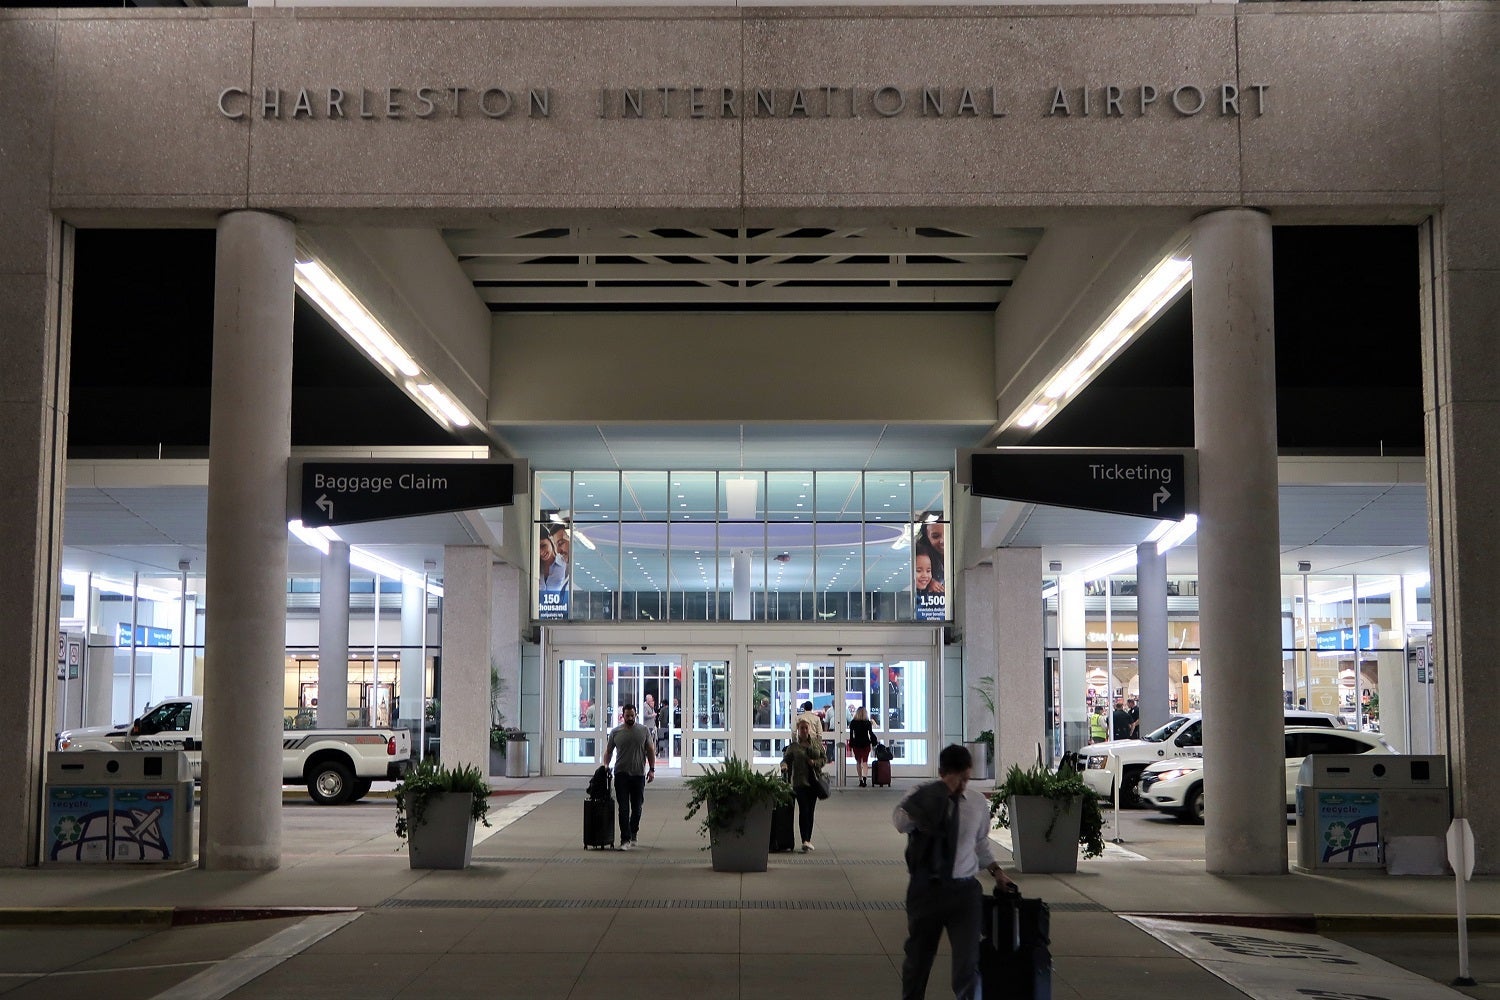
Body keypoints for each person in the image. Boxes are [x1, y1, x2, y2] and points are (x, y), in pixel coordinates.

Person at [893, 743, 1012, 1000]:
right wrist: (937, 794)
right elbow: (900, 823)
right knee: (918, 961)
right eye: (958, 780)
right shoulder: (920, 794)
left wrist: (996, 871)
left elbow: (979, 843)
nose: (962, 786)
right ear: (942, 773)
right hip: (927, 890)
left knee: (967, 965)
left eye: (967, 779)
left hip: (964, 892)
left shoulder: (977, 803)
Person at [602, 702, 655, 850]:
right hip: (621, 775)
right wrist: (606, 766)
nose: (630, 718)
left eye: (632, 715)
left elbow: (650, 750)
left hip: (638, 774)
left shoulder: (643, 731)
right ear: (622, 716)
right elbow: (608, 751)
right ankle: (625, 839)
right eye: (627, 716)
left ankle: (633, 833)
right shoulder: (615, 732)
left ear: (636, 715)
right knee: (623, 809)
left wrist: (652, 769)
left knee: (637, 808)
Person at [782, 718, 826, 852]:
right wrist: (784, 766)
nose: (804, 731)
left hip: (814, 782)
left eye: (806, 728)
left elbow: (824, 759)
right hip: (799, 783)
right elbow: (786, 760)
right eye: (802, 728)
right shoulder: (793, 747)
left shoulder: (816, 745)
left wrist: (815, 763)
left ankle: (808, 839)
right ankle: (804, 840)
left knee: (810, 812)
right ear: (798, 730)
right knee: (804, 810)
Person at [913, 522, 947, 593]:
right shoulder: (921, 555)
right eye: (935, 536)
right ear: (926, 538)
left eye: (948, 535)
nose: (943, 541)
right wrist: (929, 583)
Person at [849, 705, 875, 786]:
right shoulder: (867, 722)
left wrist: (851, 744)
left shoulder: (853, 722)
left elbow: (851, 735)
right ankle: (865, 779)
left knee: (858, 762)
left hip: (856, 744)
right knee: (865, 762)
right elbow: (870, 733)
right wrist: (873, 741)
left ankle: (860, 779)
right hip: (866, 743)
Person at [537, 528, 566, 593]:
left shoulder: (564, 564)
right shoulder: (534, 567)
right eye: (537, 548)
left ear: (550, 540)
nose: (540, 552)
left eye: (543, 545)